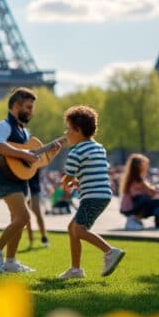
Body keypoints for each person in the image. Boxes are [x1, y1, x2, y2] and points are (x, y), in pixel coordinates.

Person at [0, 87, 59, 274]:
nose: (32, 111)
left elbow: (33, 163)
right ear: (16, 106)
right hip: (6, 180)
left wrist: (51, 154)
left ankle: (10, 261)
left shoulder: (24, 132)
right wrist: (22, 152)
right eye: (28, 107)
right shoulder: (4, 125)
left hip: (20, 181)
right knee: (24, 217)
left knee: (17, 220)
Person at [57, 106, 125, 279]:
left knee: (78, 230)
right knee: (72, 228)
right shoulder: (99, 148)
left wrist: (66, 184)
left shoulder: (76, 151)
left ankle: (110, 252)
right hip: (102, 194)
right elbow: (93, 171)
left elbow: (69, 175)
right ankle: (75, 270)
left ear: (78, 131)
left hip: (92, 197)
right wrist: (78, 182)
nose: (66, 133)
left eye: (69, 129)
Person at [119, 154, 159, 228]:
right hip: (134, 208)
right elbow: (151, 192)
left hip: (133, 207)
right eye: (145, 164)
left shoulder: (132, 178)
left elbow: (151, 191)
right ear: (140, 166)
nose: (147, 166)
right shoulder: (138, 180)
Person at [25, 171, 50, 248]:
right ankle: (30, 239)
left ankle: (44, 237)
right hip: (23, 187)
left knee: (37, 211)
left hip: (33, 186)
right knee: (25, 214)